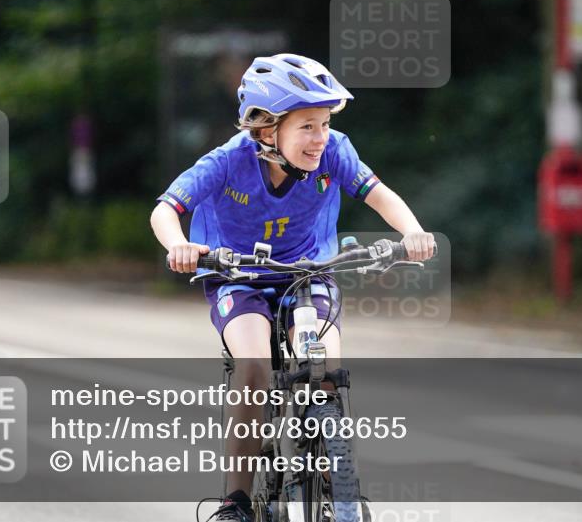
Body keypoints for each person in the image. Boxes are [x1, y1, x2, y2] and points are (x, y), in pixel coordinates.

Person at [150, 53, 435, 522]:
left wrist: (413, 232)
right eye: (306, 126)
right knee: (254, 368)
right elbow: (165, 209)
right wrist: (179, 245)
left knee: (328, 372)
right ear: (267, 130)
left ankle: (336, 483)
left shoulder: (334, 151)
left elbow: (379, 194)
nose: (320, 137)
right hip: (239, 277)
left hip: (308, 272)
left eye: (324, 123)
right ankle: (236, 502)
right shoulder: (227, 161)